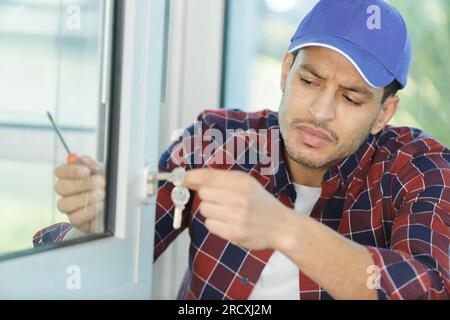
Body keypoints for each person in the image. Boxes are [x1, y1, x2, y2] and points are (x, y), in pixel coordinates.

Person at [34, 0, 449, 300]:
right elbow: (119, 255)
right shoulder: (219, 139)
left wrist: (284, 228)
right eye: (309, 81)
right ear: (287, 70)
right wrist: (96, 222)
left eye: (352, 99)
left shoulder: (418, 167)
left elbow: (429, 289)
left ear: (384, 112)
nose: (320, 111)